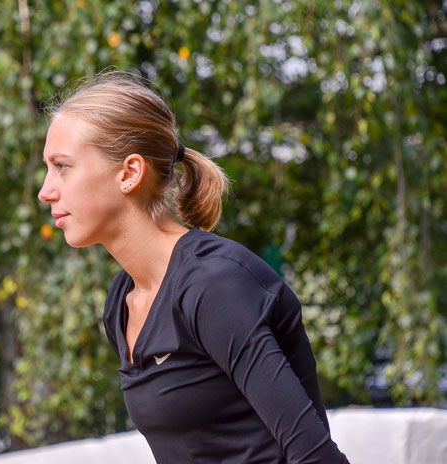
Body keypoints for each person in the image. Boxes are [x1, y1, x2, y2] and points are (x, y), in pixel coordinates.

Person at [38, 72, 350, 463]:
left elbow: (317, 457)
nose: (46, 190)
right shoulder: (122, 302)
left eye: (62, 166)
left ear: (130, 173)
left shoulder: (212, 284)